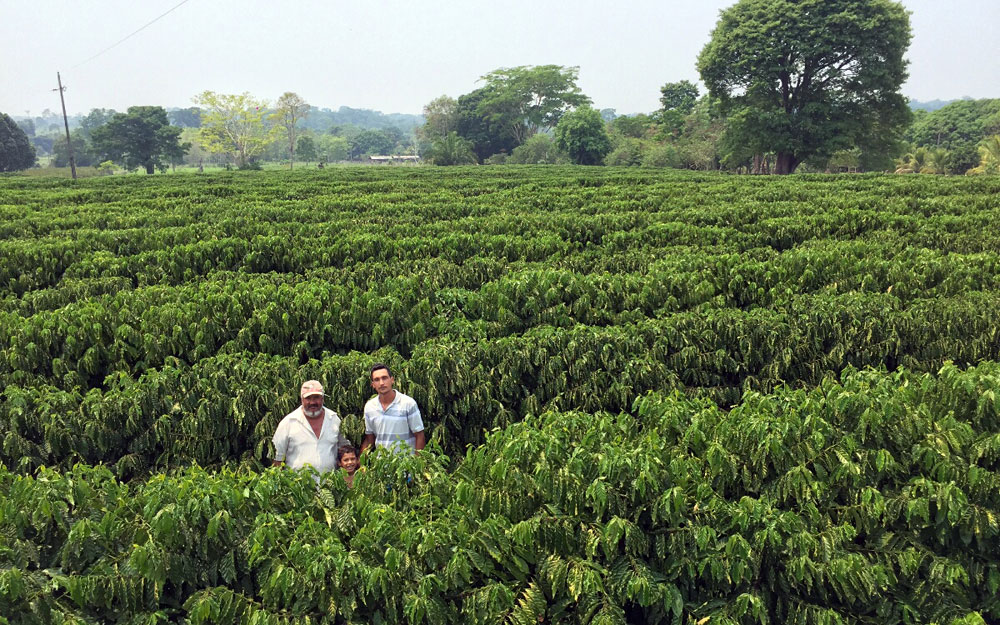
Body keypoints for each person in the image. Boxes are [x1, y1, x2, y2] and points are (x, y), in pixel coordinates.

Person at [272, 380, 348, 474]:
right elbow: (277, 459)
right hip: (296, 482)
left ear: (322, 399)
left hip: (330, 481)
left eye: (316, 397)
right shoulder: (288, 422)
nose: (312, 402)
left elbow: (345, 450)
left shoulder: (334, 419)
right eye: (308, 398)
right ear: (302, 399)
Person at [361, 363, 425, 455]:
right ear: (373, 384)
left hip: (406, 461)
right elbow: (370, 439)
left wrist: (417, 461)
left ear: (392, 380)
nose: (381, 383)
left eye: (384, 378)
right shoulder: (369, 407)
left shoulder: (408, 403)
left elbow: (419, 435)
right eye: (377, 380)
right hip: (382, 462)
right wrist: (361, 460)